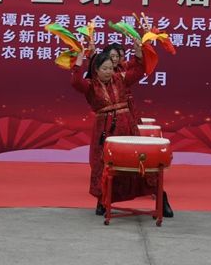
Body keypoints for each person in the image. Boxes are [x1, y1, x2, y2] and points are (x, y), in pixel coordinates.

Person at [71, 41, 173, 217]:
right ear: (96, 70)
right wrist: (78, 62)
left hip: (127, 128)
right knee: (104, 165)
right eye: (104, 68)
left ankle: (160, 197)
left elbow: (139, 71)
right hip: (104, 132)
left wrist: (139, 53)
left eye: (111, 68)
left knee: (138, 163)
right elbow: (76, 82)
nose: (108, 72)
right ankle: (102, 201)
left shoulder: (120, 79)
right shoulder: (91, 86)